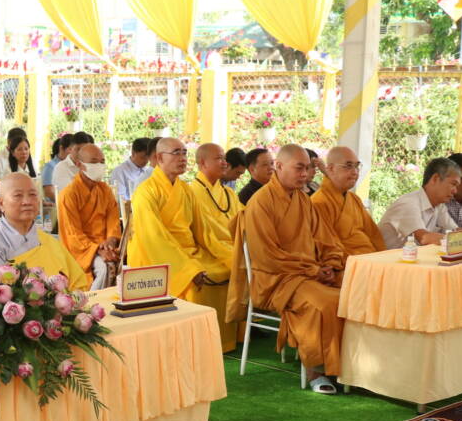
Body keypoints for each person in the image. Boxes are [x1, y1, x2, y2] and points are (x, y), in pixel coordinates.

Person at [228, 145, 345, 394]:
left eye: (308, 168)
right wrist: (312, 271)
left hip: (306, 274)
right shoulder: (261, 202)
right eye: (299, 168)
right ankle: (317, 371)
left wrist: (330, 264)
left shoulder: (303, 200)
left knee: (351, 290)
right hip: (275, 280)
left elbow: (326, 239)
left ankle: (348, 367)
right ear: (279, 167)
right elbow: (267, 257)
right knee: (324, 303)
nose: (304, 174)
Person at [127, 138, 228, 328]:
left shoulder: (185, 190)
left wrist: (228, 253)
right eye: (176, 153)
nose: (182, 158)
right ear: (159, 158)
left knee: (225, 268)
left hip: (187, 251)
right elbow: (154, 237)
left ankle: (220, 337)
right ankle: (193, 336)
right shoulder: (145, 192)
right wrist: (188, 268)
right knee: (191, 279)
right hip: (155, 255)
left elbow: (204, 230)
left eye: (184, 153)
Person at [0, 173, 89, 289]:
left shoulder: (48, 240)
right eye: (18, 195)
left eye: (32, 194)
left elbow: (78, 283)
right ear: (1, 203)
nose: (27, 201)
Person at [189, 143, 245, 352]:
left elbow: (243, 221)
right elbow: (202, 233)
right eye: (219, 158)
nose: (224, 163)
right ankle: (208, 340)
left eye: (224, 159)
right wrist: (231, 251)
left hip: (230, 247)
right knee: (229, 266)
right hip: (203, 250)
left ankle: (235, 333)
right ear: (203, 163)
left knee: (245, 261)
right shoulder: (191, 192)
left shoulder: (228, 193)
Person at [57, 144, 121, 290]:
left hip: (106, 246)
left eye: (102, 162)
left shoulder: (105, 190)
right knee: (104, 267)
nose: (99, 166)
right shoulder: (69, 194)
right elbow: (73, 234)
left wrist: (110, 241)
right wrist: (97, 249)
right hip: (81, 250)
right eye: (93, 162)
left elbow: (113, 221)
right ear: (80, 165)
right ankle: (91, 300)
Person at [310, 146, 385, 256]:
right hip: (347, 262)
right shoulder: (318, 202)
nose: (355, 172)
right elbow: (329, 247)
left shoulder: (354, 199)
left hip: (370, 258)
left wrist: (382, 256)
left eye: (357, 166)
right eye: (348, 166)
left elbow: (374, 235)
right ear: (331, 169)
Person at [378, 158, 461, 249]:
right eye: (453, 184)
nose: (455, 191)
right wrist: (459, 241)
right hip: (386, 257)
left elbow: (456, 232)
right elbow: (424, 238)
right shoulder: (408, 203)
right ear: (435, 178)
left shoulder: (439, 206)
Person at [49, 132, 94, 197]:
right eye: (78, 149)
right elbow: (70, 194)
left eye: (84, 150)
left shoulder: (90, 166)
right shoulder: (61, 168)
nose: (81, 153)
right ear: (70, 149)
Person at [109, 137, 152, 203]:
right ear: (133, 153)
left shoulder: (148, 171)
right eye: (142, 157)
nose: (146, 161)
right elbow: (120, 199)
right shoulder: (120, 171)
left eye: (148, 158)